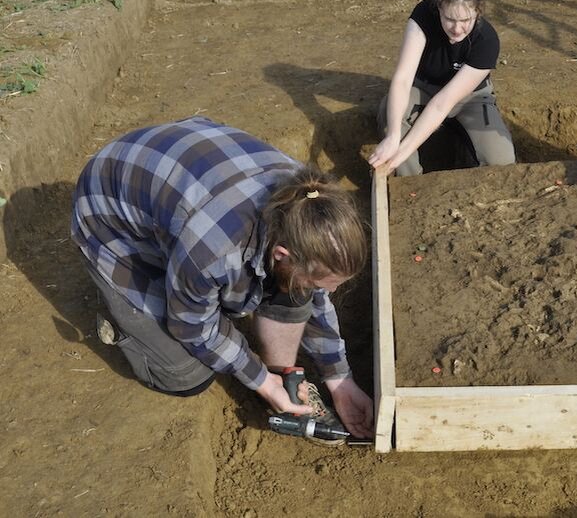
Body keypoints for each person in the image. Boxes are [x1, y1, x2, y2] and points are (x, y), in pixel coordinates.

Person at [71, 116, 374, 440]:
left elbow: (313, 295)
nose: (331, 291)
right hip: (109, 220)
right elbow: (192, 327)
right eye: (322, 283)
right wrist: (259, 380)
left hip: (184, 171)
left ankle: (280, 372)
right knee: (186, 375)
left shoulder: (311, 205)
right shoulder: (214, 250)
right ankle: (123, 316)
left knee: (292, 287)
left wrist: (339, 380)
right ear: (281, 253)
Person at [368, 0, 516, 175]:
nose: (457, 28)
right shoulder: (423, 15)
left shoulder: (487, 41)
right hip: (422, 89)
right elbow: (402, 80)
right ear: (439, 7)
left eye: (466, 20)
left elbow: (443, 103)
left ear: (478, 11)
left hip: (470, 98)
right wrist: (394, 138)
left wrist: (404, 150)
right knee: (392, 121)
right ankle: (410, 184)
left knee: (501, 161)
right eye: (450, 19)